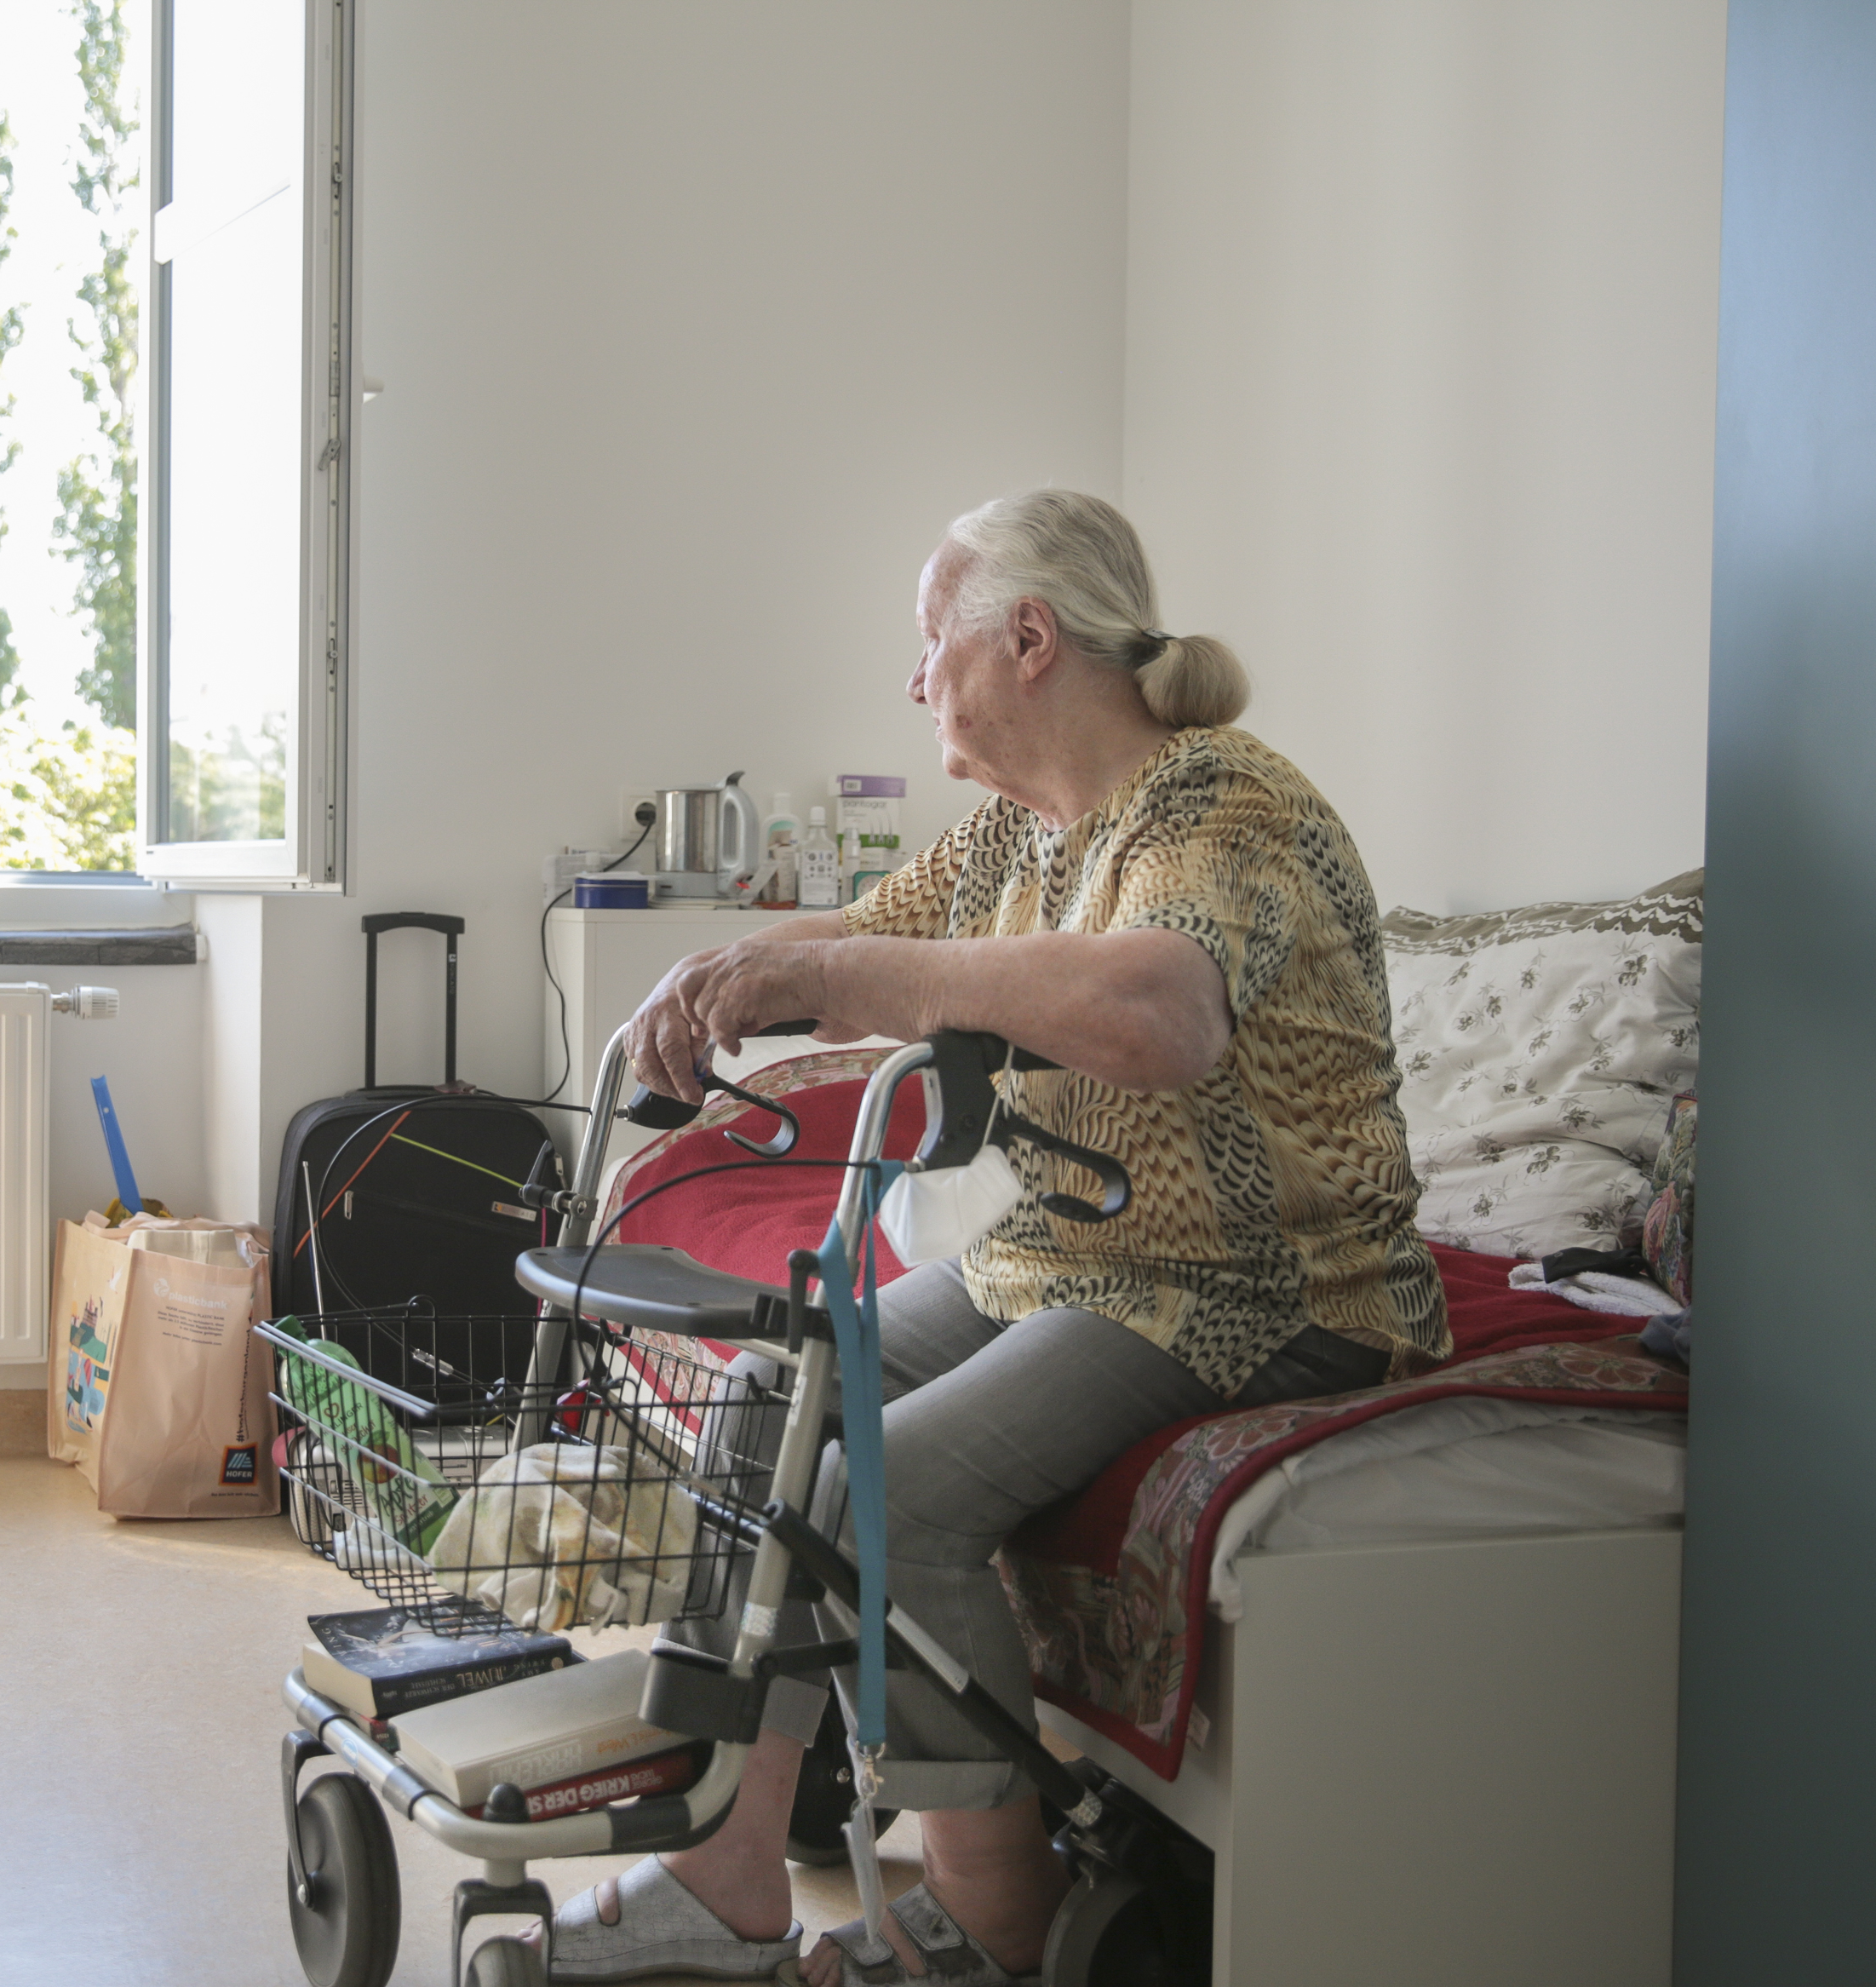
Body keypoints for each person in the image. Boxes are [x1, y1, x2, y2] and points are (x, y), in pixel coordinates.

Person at [541, 491, 1449, 1986]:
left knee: (885, 1487)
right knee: (781, 1398)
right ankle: (726, 1867)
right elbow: (857, 955)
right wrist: (714, 983)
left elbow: (1162, 1013)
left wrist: (833, 967)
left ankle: (987, 1918)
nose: (915, 681)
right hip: (1078, 1256)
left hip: (1254, 1281)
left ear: (1029, 638)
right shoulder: (1008, 842)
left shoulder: (1221, 803)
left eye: (929, 642)